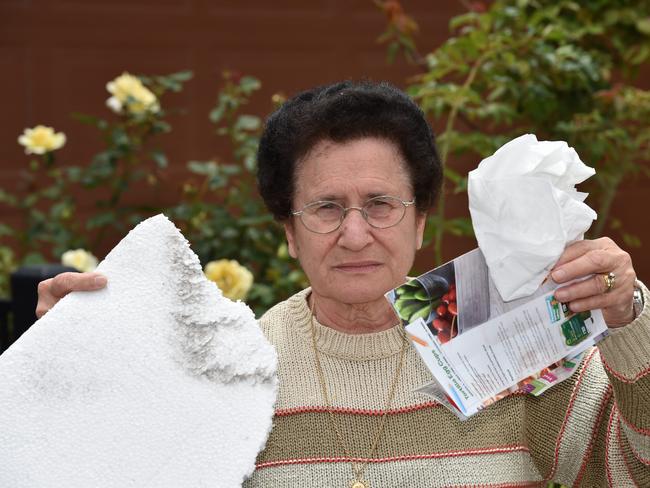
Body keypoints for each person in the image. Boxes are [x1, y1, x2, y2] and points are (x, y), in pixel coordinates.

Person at [37, 81, 648, 487]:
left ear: (420, 219)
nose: (355, 235)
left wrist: (630, 321)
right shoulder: (231, 369)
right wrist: (67, 377)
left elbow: (631, 469)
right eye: (326, 208)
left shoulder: (506, 336)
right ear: (289, 231)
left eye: (381, 204)